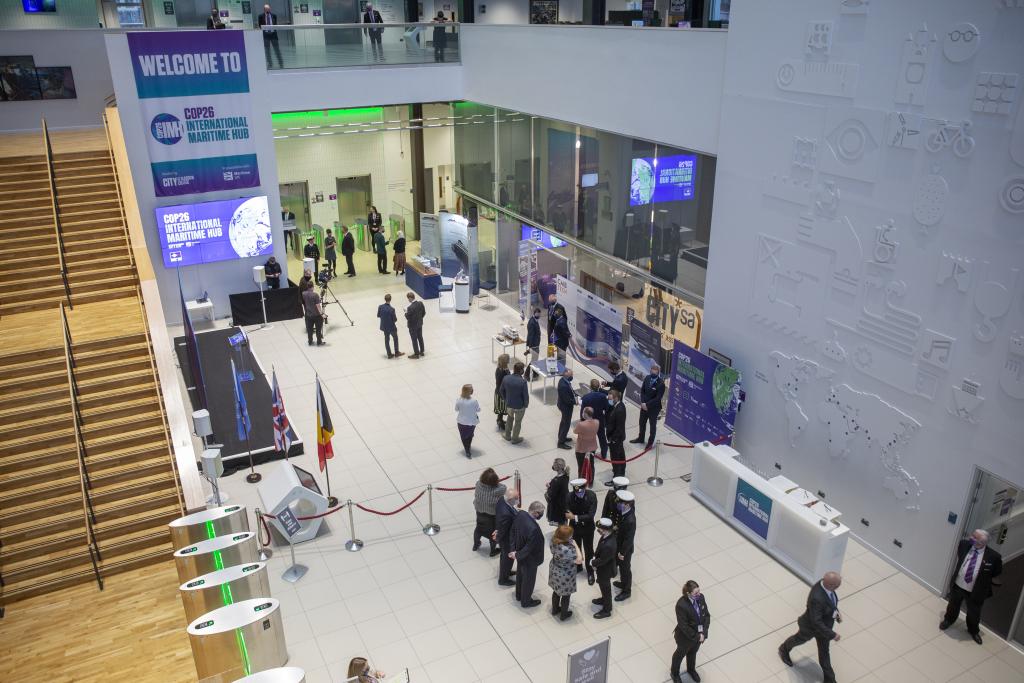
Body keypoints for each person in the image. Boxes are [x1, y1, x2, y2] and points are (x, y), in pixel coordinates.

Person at [940, 528, 1002, 644]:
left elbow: (996, 572)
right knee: (953, 605)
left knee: (974, 612)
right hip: (958, 585)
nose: (970, 538)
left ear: (982, 543)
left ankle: (973, 630)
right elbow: (960, 558)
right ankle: (948, 620)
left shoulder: (994, 557)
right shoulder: (964, 545)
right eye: (972, 535)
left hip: (975, 591)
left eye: (974, 537)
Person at [778, 571, 843, 683]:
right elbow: (816, 621)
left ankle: (830, 680)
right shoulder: (817, 598)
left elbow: (830, 603)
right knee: (799, 639)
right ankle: (783, 649)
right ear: (830, 585)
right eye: (837, 585)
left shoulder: (826, 586)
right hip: (810, 627)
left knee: (824, 653)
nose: (839, 586)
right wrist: (833, 635)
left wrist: (835, 613)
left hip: (824, 628)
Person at [671, 580, 711, 683]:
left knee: (693, 653)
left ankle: (691, 669)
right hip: (685, 638)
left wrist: (704, 633)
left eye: (699, 591)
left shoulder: (701, 597)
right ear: (688, 593)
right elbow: (683, 626)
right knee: (679, 655)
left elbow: (706, 615)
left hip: (699, 636)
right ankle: (674, 673)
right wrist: (698, 636)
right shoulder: (681, 605)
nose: (699, 594)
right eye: (696, 593)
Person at [510, 501, 546, 608]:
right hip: (530, 559)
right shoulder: (534, 528)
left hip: (519, 553)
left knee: (520, 576)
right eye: (541, 513)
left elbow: (513, 531)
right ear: (535, 513)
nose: (541, 515)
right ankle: (526, 601)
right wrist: (517, 554)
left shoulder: (521, 514)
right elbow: (529, 548)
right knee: (529, 580)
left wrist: (514, 552)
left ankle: (519, 595)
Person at [566, 478, 597, 586]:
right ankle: (578, 566)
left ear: (585, 488)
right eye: (577, 492)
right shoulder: (569, 496)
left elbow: (590, 515)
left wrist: (574, 516)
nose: (579, 495)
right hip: (575, 528)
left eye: (581, 492)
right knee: (576, 548)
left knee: (589, 551)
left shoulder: (591, 496)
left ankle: (590, 571)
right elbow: (566, 509)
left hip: (588, 528)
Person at [548, 524, 582, 621]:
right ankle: (564, 614)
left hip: (555, 569)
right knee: (566, 595)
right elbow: (579, 560)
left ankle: (554, 610)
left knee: (556, 591)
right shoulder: (568, 550)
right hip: (566, 574)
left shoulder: (553, 540)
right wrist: (575, 545)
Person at [472, 468, 506, 556]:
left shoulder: (478, 484)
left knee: (478, 529)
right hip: (492, 515)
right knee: (493, 533)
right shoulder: (498, 490)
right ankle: (492, 551)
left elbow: (479, 482)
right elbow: (504, 487)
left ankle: (476, 545)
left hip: (479, 511)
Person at [631, 364, 665, 448]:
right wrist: (643, 402)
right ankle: (640, 438)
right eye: (652, 370)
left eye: (655, 371)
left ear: (658, 372)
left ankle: (650, 443)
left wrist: (647, 404)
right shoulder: (647, 378)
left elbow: (658, 398)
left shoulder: (661, 383)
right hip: (644, 406)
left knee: (652, 426)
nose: (653, 372)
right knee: (641, 423)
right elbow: (642, 390)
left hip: (654, 408)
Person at [591, 517, 617, 619]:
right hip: (603, 568)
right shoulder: (606, 536)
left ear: (605, 529)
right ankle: (604, 599)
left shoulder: (609, 545)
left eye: (600, 528)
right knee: (603, 587)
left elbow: (602, 560)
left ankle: (607, 609)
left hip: (605, 570)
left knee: (606, 589)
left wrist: (592, 562)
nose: (598, 530)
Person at [613, 490, 636, 601]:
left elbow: (629, 539)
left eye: (620, 503)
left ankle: (627, 591)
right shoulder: (626, 512)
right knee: (622, 568)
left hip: (625, 550)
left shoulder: (630, 520)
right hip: (620, 545)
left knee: (625, 569)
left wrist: (622, 553)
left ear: (627, 504)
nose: (618, 505)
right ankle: (623, 583)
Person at [493, 490, 519, 586]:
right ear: (511, 499)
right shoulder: (506, 514)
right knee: (507, 558)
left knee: (505, 557)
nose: (518, 500)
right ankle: (503, 579)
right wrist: (498, 536)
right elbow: (503, 529)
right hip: (507, 540)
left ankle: (506, 572)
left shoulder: (502, 499)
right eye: (516, 499)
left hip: (505, 536)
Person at [499, 361, 529, 443]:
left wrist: (505, 399)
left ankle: (507, 435)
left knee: (509, 419)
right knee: (518, 422)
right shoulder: (523, 382)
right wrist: (526, 404)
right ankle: (515, 438)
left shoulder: (506, 378)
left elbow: (501, 390)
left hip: (509, 405)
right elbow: (525, 396)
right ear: (521, 371)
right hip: (520, 406)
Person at [580, 379, 608, 458]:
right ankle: (604, 454)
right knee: (602, 438)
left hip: (589, 422)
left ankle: (588, 453)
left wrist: (582, 421)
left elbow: (583, 412)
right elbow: (606, 408)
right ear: (599, 386)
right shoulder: (603, 397)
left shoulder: (585, 398)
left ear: (590, 387)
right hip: (600, 421)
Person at [573, 407, 600, 486]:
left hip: (581, 448)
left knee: (581, 466)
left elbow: (575, 431)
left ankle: (581, 483)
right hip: (592, 447)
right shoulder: (597, 422)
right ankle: (591, 481)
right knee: (591, 464)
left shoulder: (581, 424)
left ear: (585, 414)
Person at [605, 389, 628, 482]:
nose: (609, 401)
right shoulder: (617, 406)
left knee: (616, 458)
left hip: (616, 439)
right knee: (620, 455)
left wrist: (612, 439)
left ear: (616, 398)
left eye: (611, 399)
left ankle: (617, 476)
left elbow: (619, 427)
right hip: (616, 438)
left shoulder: (619, 410)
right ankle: (621, 471)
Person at [455, 384, 480, 458]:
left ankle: (467, 450)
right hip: (472, 422)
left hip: (461, 422)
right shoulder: (474, 401)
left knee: (463, 436)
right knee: (470, 435)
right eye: (472, 389)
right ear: (469, 391)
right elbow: (478, 409)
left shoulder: (458, 400)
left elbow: (456, 409)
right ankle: (468, 447)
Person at [376, 293, 403, 358]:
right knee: (395, 338)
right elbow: (395, 319)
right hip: (391, 327)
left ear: (385, 299)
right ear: (390, 300)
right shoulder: (392, 309)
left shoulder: (380, 306)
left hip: (384, 327)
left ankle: (389, 354)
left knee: (386, 340)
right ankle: (396, 352)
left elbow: (378, 315)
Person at [545, 458, 569, 526]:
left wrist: (548, 487)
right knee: (563, 519)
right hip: (563, 501)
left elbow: (552, 494)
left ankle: (562, 532)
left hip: (557, 504)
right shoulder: (566, 475)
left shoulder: (557, 481)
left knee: (559, 520)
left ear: (557, 467)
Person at [556, 368, 576, 449]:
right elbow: (567, 400)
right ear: (566, 375)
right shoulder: (563, 386)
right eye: (571, 375)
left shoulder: (564, 380)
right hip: (565, 407)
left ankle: (561, 436)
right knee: (566, 424)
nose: (572, 376)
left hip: (563, 404)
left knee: (563, 422)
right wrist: (575, 402)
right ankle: (561, 443)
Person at [258, 4, 283, 69]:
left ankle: (281, 63)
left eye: (269, 9)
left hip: (273, 35)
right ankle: (270, 64)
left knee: (277, 50)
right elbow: (260, 26)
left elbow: (275, 25)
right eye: (266, 9)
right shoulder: (260, 16)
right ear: (264, 9)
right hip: (266, 35)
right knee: (267, 51)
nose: (268, 10)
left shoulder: (274, 16)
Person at [402, 291, 426, 358]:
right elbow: (424, 312)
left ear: (410, 298)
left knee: (414, 339)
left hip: (412, 326)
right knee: (420, 337)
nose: (408, 300)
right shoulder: (420, 303)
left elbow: (408, 317)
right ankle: (422, 351)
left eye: (408, 298)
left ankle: (416, 354)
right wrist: (420, 319)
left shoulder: (410, 308)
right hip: (420, 324)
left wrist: (405, 312)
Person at [301, 282, 324, 346]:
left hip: (308, 315)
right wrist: (322, 314)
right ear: (312, 287)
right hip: (316, 315)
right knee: (318, 330)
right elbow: (318, 306)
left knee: (309, 330)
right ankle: (319, 342)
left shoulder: (303, 293)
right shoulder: (315, 295)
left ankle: (310, 341)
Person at [494, 353, 510, 431]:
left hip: (499, 391)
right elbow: (504, 381)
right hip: (501, 393)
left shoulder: (499, 369)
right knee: (502, 408)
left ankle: (499, 419)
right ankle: (500, 421)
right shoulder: (502, 372)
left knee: (501, 408)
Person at [525, 307, 541, 380]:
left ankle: (534, 373)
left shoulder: (535, 320)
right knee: (534, 360)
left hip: (536, 344)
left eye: (539, 314)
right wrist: (531, 346)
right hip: (534, 345)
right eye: (537, 314)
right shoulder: (532, 322)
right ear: (534, 313)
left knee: (535, 360)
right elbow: (531, 335)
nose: (539, 316)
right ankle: (526, 374)